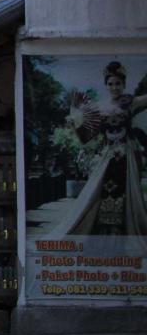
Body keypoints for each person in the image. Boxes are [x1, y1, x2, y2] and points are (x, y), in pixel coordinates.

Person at [49, 60, 147, 239]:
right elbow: (86, 133)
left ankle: (123, 231)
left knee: (127, 191)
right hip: (107, 155)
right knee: (101, 190)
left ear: (124, 84)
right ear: (106, 85)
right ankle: (104, 231)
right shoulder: (99, 107)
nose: (115, 87)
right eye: (111, 84)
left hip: (126, 154)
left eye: (118, 83)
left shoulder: (129, 102)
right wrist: (73, 122)